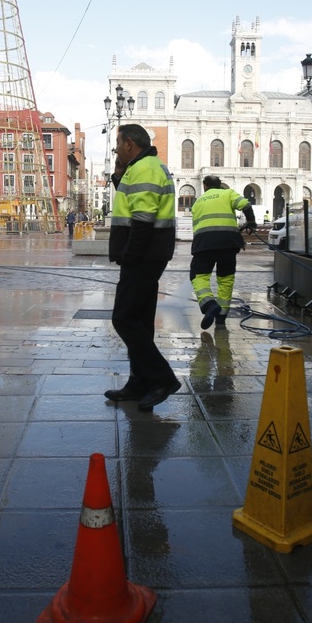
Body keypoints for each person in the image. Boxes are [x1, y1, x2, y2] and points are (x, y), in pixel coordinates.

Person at [102, 124, 180, 412]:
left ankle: (162, 378)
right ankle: (139, 381)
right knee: (141, 320)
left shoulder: (146, 168)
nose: (116, 148)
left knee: (123, 318)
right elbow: (130, 201)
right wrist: (119, 174)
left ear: (129, 144)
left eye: (118, 143)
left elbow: (143, 218)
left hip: (144, 256)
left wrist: (130, 256)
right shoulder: (143, 166)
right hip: (150, 255)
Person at [190, 175, 255, 330]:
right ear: (220, 185)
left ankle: (209, 304)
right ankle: (221, 319)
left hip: (204, 243)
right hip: (228, 243)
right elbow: (245, 205)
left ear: (204, 186)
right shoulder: (228, 193)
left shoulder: (198, 202)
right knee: (226, 279)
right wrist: (251, 222)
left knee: (198, 276)